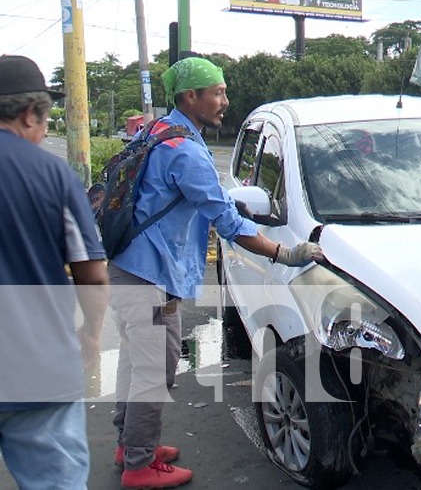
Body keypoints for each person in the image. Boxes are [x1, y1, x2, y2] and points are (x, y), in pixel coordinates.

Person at [108, 56, 323, 489]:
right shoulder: (185, 151)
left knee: (136, 362)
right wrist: (287, 252)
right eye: (218, 92)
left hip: (127, 265)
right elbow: (227, 221)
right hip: (150, 275)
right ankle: (138, 464)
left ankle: (130, 443)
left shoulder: (160, 131)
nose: (225, 100)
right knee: (156, 369)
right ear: (191, 97)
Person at [0, 55, 109, 488]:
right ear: (30, 114)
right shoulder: (52, 174)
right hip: (39, 368)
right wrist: (92, 335)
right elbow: (92, 275)